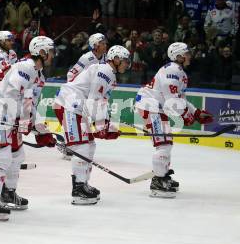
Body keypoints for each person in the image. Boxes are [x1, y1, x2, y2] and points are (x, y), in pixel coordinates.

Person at [0, 36, 56, 221]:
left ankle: (7, 193)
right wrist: (25, 122)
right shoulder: (25, 68)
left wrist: (41, 131)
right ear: (43, 52)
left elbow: (30, 104)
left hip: (9, 117)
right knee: (3, 156)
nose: (53, 55)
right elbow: (11, 96)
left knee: (17, 154)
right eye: (51, 51)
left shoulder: (37, 73)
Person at [134, 42, 213, 198]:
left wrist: (196, 113)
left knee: (166, 144)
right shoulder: (172, 70)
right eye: (187, 53)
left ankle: (162, 175)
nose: (190, 55)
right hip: (150, 106)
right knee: (163, 144)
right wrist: (187, 116)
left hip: (155, 107)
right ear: (178, 56)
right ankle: (158, 181)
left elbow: (180, 99)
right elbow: (172, 101)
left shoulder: (180, 72)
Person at [53, 45, 130, 205]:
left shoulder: (109, 74)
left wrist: (106, 126)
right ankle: (78, 189)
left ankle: (83, 183)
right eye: (125, 61)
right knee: (81, 147)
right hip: (69, 106)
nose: (127, 64)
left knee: (89, 144)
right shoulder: (105, 71)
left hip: (75, 108)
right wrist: (102, 126)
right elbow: (95, 99)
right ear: (115, 59)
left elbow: (100, 101)